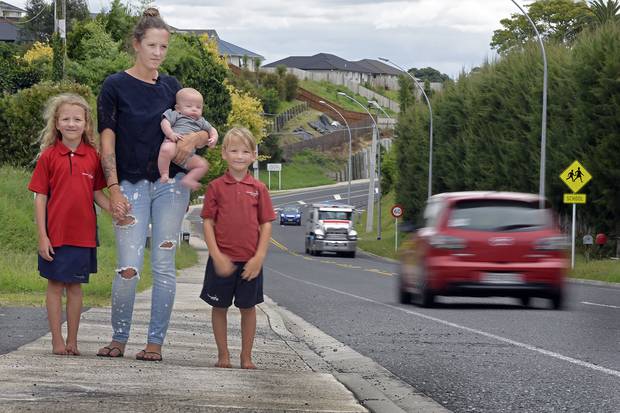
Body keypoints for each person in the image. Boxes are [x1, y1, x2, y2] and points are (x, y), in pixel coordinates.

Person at [96, 8, 216, 362]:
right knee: (128, 265)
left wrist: (194, 143)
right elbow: (107, 139)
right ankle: (118, 339)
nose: (158, 53)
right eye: (152, 45)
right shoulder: (114, 85)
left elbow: (194, 128)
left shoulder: (172, 87)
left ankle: (154, 344)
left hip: (171, 186)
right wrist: (113, 186)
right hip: (129, 184)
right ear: (136, 44)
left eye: (163, 47)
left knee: (164, 265)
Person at [28, 93, 110, 356]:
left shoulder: (93, 157)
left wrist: (115, 210)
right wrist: (43, 236)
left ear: (86, 124)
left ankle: (72, 340)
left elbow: (97, 194)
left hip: (83, 236)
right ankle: (56, 341)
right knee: (55, 286)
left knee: (75, 288)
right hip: (55, 235)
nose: (72, 123)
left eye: (78, 119)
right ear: (57, 123)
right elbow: (40, 198)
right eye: (66, 119)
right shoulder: (49, 156)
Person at [200, 127, 276, 369]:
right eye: (234, 150)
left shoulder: (259, 189)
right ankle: (223, 355)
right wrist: (216, 255)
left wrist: (259, 257)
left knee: (248, 308)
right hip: (222, 260)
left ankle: (246, 356)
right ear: (224, 153)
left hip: (250, 262)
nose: (239, 156)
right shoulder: (215, 187)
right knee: (219, 306)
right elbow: (208, 222)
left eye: (245, 151)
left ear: (254, 155)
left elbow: (266, 225)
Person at [158, 87, 217, 190]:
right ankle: (164, 173)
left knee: (203, 165)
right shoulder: (176, 114)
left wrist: (214, 137)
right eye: (189, 106)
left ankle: (189, 179)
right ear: (178, 108)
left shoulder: (201, 121)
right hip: (173, 143)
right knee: (165, 149)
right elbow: (164, 122)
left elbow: (212, 129)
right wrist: (171, 133)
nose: (194, 109)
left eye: (198, 107)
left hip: (188, 155)